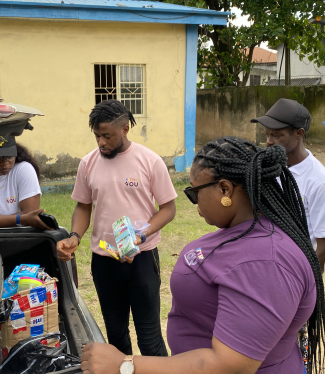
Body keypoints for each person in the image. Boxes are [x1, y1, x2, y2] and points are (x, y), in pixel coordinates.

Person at [80, 137, 325, 374]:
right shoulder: (246, 230)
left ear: (225, 189)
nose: (196, 206)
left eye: (195, 193)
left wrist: (126, 365)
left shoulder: (265, 263)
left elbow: (231, 365)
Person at [56, 100, 177, 356]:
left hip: (142, 259)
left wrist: (141, 235)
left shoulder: (150, 161)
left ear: (125, 129)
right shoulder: (88, 163)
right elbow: (83, 207)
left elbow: (168, 209)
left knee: (149, 337)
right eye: (97, 136)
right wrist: (75, 236)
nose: (101, 142)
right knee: (115, 334)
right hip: (104, 261)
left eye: (107, 135)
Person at [251, 98, 325, 272]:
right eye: (267, 134)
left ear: (298, 133)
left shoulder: (318, 180)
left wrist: (307, 286)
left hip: (292, 270)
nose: (269, 141)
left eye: (277, 135)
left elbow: (322, 248)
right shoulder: (268, 168)